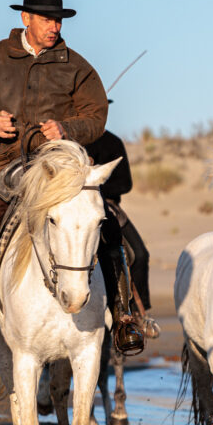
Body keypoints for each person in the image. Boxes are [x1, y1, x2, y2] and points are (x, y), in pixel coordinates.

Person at [0, 0, 122, 368]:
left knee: (108, 226)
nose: (54, 26)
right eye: (47, 18)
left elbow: (96, 117)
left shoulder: (78, 66)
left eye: (58, 19)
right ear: (25, 18)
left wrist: (66, 129)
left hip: (58, 167)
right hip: (3, 164)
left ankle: (125, 315)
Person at [85, 127, 160, 339]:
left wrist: (98, 181)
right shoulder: (66, 139)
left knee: (140, 254)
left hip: (107, 205)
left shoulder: (112, 142)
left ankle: (137, 313)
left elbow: (125, 183)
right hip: (74, 203)